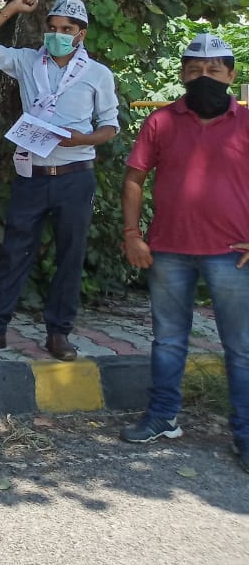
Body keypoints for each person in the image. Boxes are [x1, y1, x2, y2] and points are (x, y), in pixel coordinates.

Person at [0, 0, 119, 361]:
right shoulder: (28, 61)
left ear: (81, 34)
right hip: (32, 175)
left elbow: (110, 128)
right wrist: (11, 10)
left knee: (69, 256)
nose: (58, 34)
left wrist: (81, 139)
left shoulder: (97, 74)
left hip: (75, 176)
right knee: (14, 252)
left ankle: (59, 334)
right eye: (53, 27)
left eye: (67, 29)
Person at [118, 33, 249, 471]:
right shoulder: (161, 121)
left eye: (214, 71)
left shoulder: (246, 123)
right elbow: (134, 178)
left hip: (232, 253)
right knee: (168, 342)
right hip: (168, 250)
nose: (204, 78)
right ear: (182, 75)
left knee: (241, 347)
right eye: (195, 71)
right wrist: (132, 234)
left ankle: (245, 433)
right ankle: (162, 417)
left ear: (231, 75)